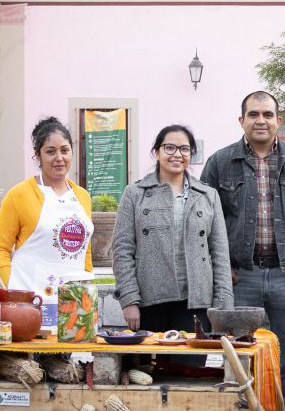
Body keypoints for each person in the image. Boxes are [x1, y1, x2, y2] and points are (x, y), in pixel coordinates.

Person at [201, 91, 285, 411]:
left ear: (278, 121)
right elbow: (205, 222)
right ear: (240, 120)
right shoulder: (219, 162)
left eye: (268, 114)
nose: (261, 120)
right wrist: (223, 270)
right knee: (240, 359)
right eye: (253, 114)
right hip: (242, 278)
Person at [112, 125, 233, 334]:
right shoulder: (134, 194)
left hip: (196, 303)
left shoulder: (207, 195)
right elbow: (122, 250)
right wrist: (129, 299)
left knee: (191, 366)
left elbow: (220, 253)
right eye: (169, 148)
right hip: (149, 302)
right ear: (156, 152)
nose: (177, 154)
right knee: (149, 367)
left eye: (184, 149)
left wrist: (223, 303)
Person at [0, 117, 93, 296]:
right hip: (30, 303)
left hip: (73, 303)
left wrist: (86, 289)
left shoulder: (82, 196)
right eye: (50, 151)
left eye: (65, 150)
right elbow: (1, 248)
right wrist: (14, 289)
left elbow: (86, 251)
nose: (59, 158)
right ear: (38, 155)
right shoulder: (19, 194)